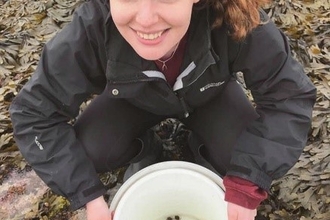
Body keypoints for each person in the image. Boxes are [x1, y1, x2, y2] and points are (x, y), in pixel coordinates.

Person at [9, 0, 316, 219]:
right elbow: (34, 113)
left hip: (210, 98)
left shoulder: (235, 16)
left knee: (239, 157)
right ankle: (145, 151)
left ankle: (201, 151)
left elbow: (288, 97)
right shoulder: (92, 28)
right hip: (131, 101)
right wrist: (87, 196)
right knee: (89, 152)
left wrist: (248, 183)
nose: (145, 19)